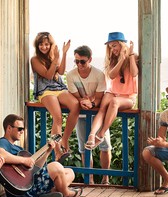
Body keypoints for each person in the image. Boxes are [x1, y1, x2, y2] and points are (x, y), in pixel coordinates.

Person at [0, 114, 83, 197]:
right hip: (22, 188)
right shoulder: (4, 142)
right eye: (19, 129)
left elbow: (35, 167)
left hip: (30, 183)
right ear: (9, 128)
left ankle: (51, 191)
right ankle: (66, 193)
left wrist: (48, 150)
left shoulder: (18, 149)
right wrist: (24, 160)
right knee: (56, 167)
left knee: (70, 172)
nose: (22, 132)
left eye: (23, 129)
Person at [31, 32, 80, 163]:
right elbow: (48, 75)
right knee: (57, 117)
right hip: (45, 91)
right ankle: (58, 151)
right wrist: (55, 60)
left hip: (58, 88)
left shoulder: (54, 56)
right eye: (41, 44)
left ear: (51, 44)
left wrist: (63, 54)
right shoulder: (35, 59)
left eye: (46, 44)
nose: (44, 47)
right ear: (37, 45)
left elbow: (62, 72)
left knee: (75, 105)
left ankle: (65, 139)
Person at [66, 45, 112, 185]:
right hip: (81, 115)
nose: (79, 64)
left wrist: (90, 102)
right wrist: (83, 101)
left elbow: (99, 99)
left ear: (90, 59)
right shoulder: (70, 75)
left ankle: (106, 178)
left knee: (105, 146)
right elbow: (75, 98)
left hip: (98, 115)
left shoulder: (99, 74)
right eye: (76, 61)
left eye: (83, 61)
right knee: (84, 148)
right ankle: (89, 179)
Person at [85, 32, 139, 150]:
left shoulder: (133, 56)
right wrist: (121, 60)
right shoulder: (112, 59)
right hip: (113, 91)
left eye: (114, 45)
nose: (112, 49)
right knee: (102, 108)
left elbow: (134, 73)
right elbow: (112, 75)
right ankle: (92, 134)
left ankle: (101, 134)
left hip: (128, 97)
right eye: (110, 46)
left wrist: (129, 56)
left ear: (121, 44)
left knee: (114, 102)